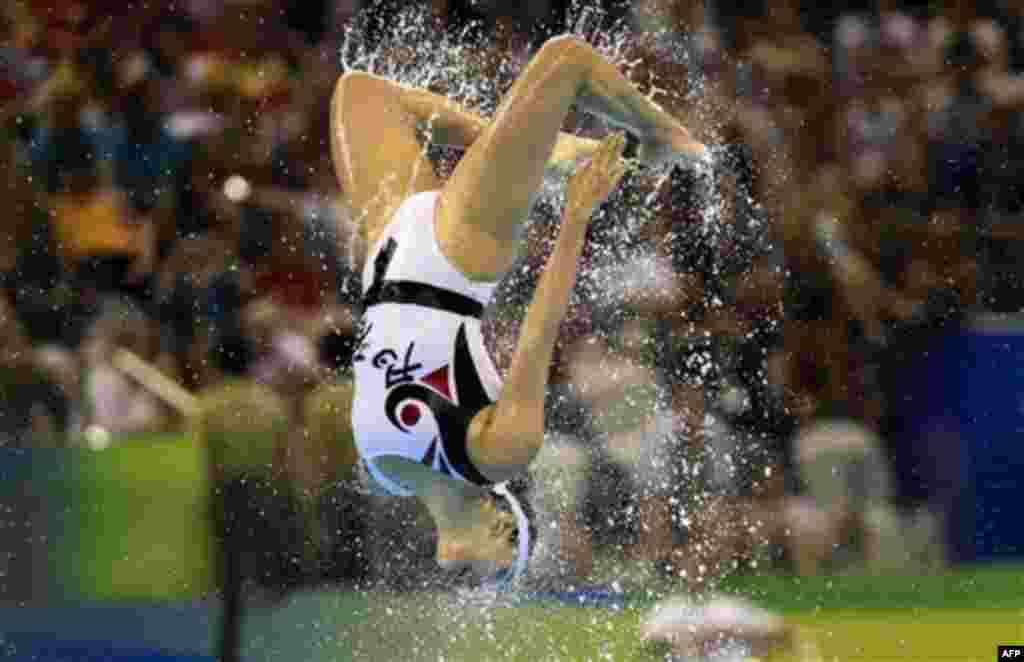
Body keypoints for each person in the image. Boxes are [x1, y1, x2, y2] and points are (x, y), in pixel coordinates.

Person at [330, 34, 707, 584]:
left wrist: (577, 214)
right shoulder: (490, 455)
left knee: (359, 90)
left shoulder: (390, 475)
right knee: (564, 62)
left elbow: (537, 331)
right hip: (451, 260)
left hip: (387, 249)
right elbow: (539, 332)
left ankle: (541, 149)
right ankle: (662, 137)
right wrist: (573, 219)